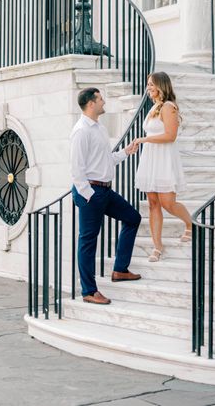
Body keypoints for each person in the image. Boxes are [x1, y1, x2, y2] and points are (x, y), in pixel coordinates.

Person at [71, 87, 142, 305]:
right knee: (88, 242)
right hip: (91, 192)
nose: (104, 102)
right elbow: (77, 169)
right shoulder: (81, 130)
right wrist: (88, 195)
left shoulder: (99, 128)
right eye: (100, 99)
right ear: (91, 103)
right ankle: (89, 291)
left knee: (133, 218)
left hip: (105, 190)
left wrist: (125, 152)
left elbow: (105, 159)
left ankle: (120, 269)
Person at [133, 72, 192, 262]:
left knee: (168, 202)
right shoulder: (154, 108)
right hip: (151, 159)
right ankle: (157, 246)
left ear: (160, 85)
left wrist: (144, 139)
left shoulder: (168, 106)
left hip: (164, 159)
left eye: (151, 84)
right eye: (147, 84)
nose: (148, 87)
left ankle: (191, 224)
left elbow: (170, 136)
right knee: (152, 203)